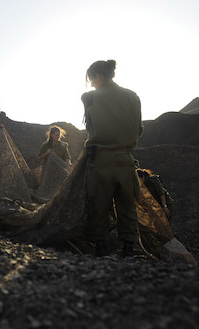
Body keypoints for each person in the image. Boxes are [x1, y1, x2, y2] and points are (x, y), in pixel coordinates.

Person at [81, 60, 143, 257]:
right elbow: (139, 129)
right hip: (126, 160)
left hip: (101, 161)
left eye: (91, 79)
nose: (91, 84)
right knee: (127, 205)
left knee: (98, 204)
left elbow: (90, 128)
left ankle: (100, 248)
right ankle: (128, 249)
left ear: (99, 77)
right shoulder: (133, 97)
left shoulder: (90, 98)